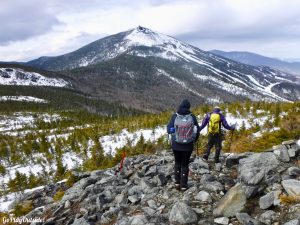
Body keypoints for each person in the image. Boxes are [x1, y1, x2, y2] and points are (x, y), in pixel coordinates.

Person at [167, 99, 200, 191]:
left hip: (176, 145)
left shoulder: (175, 116)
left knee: (177, 163)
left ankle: (177, 182)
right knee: (185, 164)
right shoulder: (192, 116)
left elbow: (168, 129)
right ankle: (184, 185)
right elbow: (197, 130)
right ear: (189, 107)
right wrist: (195, 139)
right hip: (188, 146)